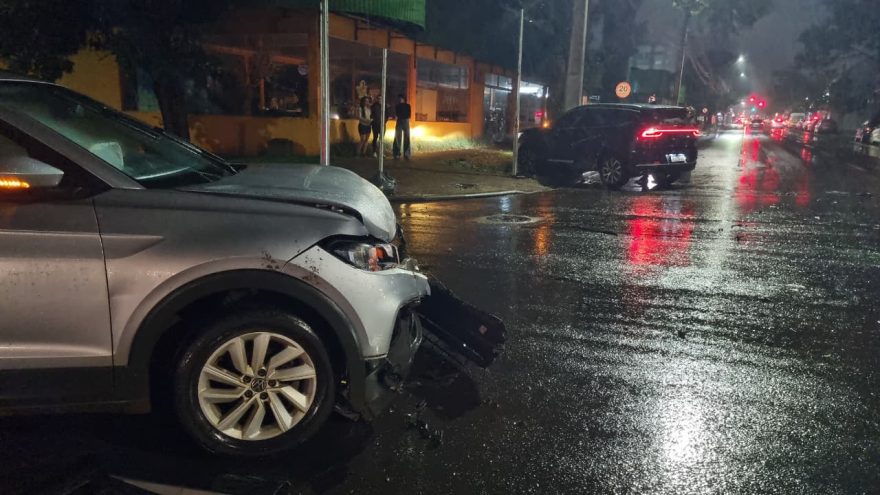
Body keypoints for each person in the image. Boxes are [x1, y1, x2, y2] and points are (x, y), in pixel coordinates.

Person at [393, 94, 412, 160]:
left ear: (404, 99)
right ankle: (397, 153)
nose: (400, 99)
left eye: (401, 98)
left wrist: (401, 116)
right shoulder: (397, 106)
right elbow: (396, 114)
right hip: (399, 121)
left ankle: (406, 154)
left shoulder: (407, 105)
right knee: (398, 137)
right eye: (399, 98)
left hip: (405, 121)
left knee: (407, 137)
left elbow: (409, 114)